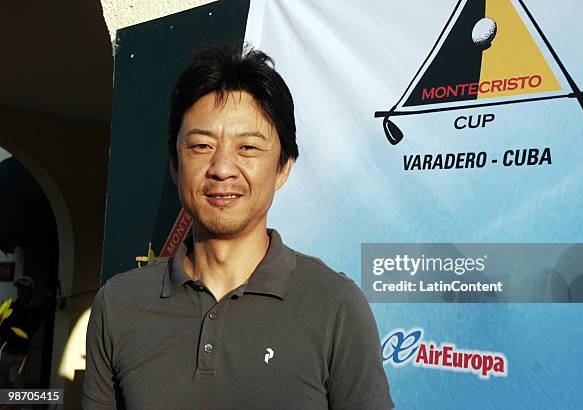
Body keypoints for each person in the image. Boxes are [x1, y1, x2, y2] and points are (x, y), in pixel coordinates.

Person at [83, 43, 394, 409]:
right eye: (200, 146)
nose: (222, 168)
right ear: (174, 165)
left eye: (247, 148)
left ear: (283, 167)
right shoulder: (118, 304)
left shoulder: (336, 306)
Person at [0, 276, 45, 388]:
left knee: (15, 392)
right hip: (5, 354)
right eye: (19, 288)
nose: (21, 291)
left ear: (30, 291)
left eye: (24, 288)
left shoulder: (35, 311)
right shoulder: (10, 307)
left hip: (22, 356)